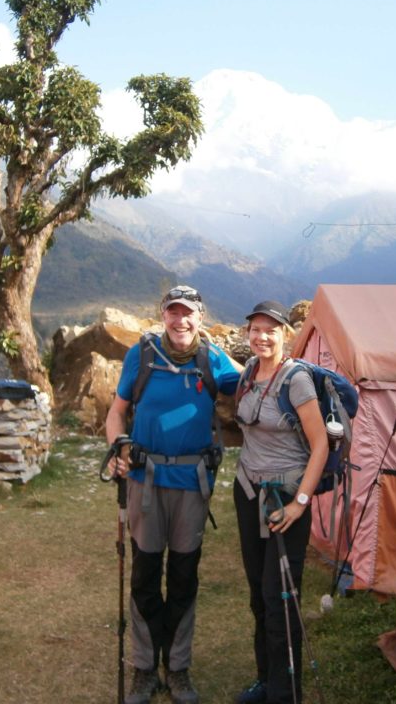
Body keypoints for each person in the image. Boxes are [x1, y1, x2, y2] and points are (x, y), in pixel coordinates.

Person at [106, 285, 240, 704]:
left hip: (191, 484)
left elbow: (253, 380)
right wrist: (117, 446)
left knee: (184, 577)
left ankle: (177, 668)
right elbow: (116, 411)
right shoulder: (141, 354)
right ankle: (145, 669)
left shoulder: (212, 358)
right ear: (162, 315)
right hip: (145, 481)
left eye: (188, 314)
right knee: (145, 575)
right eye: (173, 312)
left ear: (201, 317)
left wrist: (220, 348)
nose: (180, 321)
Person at [232, 300, 329, 704]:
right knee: (259, 593)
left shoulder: (297, 380)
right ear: (247, 333)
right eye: (255, 329)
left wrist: (300, 503)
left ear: (285, 335)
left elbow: (320, 442)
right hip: (248, 491)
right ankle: (266, 679)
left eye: (270, 330)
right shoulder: (249, 374)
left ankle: (286, 693)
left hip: (285, 498)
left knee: (281, 597)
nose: (262, 337)